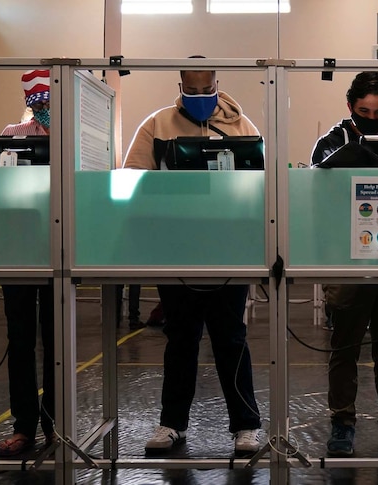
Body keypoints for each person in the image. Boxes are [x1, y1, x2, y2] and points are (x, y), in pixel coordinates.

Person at [123, 57, 262, 457]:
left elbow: (260, 183)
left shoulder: (241, 126)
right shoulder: (156, 124)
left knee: (231, 339)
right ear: (179, 84)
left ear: (218, 82)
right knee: (180, 339)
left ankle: (247, 427)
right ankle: (172, 425)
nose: (201, 97)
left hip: (228, 253)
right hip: (176, 251)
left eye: (207, 89)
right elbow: (132, 178)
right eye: (193, 90)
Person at [310, 71, 378, 457]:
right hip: (346, 261)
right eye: (365, 111)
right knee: (345, 347)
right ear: (350, 106)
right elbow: (318, 198)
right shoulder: (329, 144)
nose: (374, 118)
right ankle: (342, 422)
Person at [0, 69, 55, 457]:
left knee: (55, 339)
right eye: (39, 102)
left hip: (57, 247)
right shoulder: (12, 134)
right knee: (19, 340)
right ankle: (24, 426)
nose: (45, 108)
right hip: (18, 247)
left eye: (50, 101)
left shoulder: (75, 138)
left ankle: (55, 423)